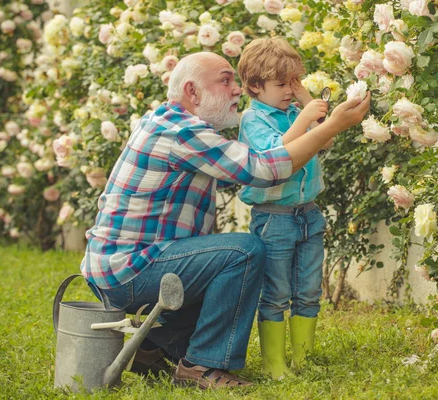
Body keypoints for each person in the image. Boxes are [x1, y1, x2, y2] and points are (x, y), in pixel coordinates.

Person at [80, 51, 370, 389]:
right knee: (243, 252)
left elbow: (249, 164)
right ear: (192, 92)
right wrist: (332, 125)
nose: (237, 90)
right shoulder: (182, 132)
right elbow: (264, 170)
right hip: (129, 270)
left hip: (128, 266)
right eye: (226, 80)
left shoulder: (173, 123)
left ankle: (150, 347)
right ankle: (201, 365)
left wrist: (309, 113)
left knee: (221, 260)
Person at [236, 37, 332, 380]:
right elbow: (277, 153)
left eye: (293, 83)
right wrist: (305, 115)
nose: (289, 91)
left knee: (308, 291)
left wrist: (307, 100)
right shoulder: (254, 119)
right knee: (276, 294)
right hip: (273, 219)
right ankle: (274, 363)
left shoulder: (294, 108)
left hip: (308, 213)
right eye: (281, 85)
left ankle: (303, 358)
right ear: (254, 86)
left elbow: (327, 137)